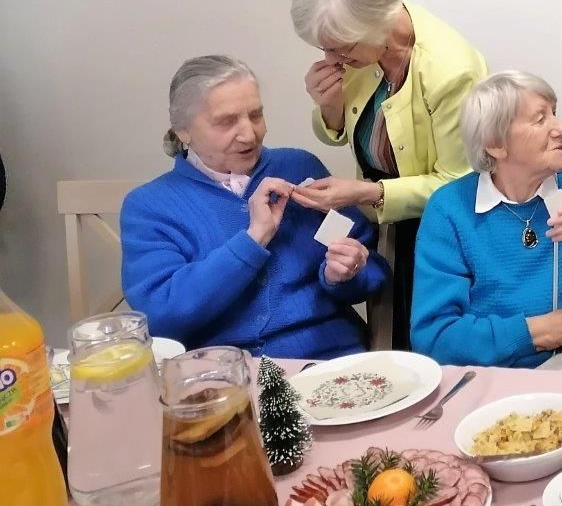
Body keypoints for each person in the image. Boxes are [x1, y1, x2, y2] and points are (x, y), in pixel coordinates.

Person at [121, 56, 389, 360]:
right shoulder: (149, 206)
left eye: (256, 115)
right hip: (223, 374)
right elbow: (161, 317)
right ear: (183, 131)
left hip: (328, 360)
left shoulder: (300, 167)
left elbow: (373, 270)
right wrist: (253, 239)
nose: (249, 135)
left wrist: (344, 275)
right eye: (226, 121)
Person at [291, 0, 488, 349]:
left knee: (431, 345)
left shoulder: (450, 71)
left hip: (446, 228)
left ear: (378, 20)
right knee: (395, 341)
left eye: (340, 48)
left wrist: (367, 192)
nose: (331, 60)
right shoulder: (363, 48)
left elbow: (461, 184)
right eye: (324, 48)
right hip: (388, 225)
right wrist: (329, 107)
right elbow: (347, 134)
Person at [410, 71, 562, 371]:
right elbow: (435, 339)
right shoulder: (450, 210)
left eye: (555, 113)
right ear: (496, 143)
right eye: (540, 119)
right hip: (493, 385)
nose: (561, 128)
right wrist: (546, 330)